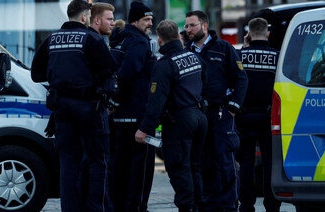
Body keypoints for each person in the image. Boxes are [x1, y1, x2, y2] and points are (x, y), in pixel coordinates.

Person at [31, 0, 117, 211]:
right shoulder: (91, 39)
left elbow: (36, 74)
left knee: (68, 162)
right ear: (83, 17)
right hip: (89, 107)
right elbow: (109, 70)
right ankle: (96, 208)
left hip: (62, 107)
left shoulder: (51, 39)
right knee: (98, 161)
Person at [135, 19, 208, 212]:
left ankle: (187, 208)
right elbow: (206, 82)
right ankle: (199, 207)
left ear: (159, 40)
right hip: (200, 117)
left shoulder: (164, 65)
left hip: (180, 122)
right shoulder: (194, 57)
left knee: (179, 169)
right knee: (195, 168)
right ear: (178, 36)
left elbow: (155, 101)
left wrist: (144, 129)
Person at [185, 10, 248, 212]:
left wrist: (234, 107)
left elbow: (241, 78)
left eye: (192, 25)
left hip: (221, 114)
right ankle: (207, 205)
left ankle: (229, 205)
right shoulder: (187, 51)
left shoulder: (224, 48)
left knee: (225, 160)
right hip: (197, 116)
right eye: (186, 26)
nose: (188, 30)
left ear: (204, 26)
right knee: (202, 161)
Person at [108, 2, 157, 212]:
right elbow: (127, 75)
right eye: (146, 20)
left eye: (151, 19)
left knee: (121, 167)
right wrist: (117, 101)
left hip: (120, 117)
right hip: (136, 116)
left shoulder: (121, 40)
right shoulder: (138, 42)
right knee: (141, 170)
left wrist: (114, 103)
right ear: (135, 21)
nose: (150, 23)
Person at [236, 17, 281, 212]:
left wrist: (245, 47)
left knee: (246, 162)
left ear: (248, 33)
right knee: (270, 162)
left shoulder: (239, 55)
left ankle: (247, 205)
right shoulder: (277, 56)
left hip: (244, 116)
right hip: (269, 116)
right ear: (268, 33)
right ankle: (272, 205)